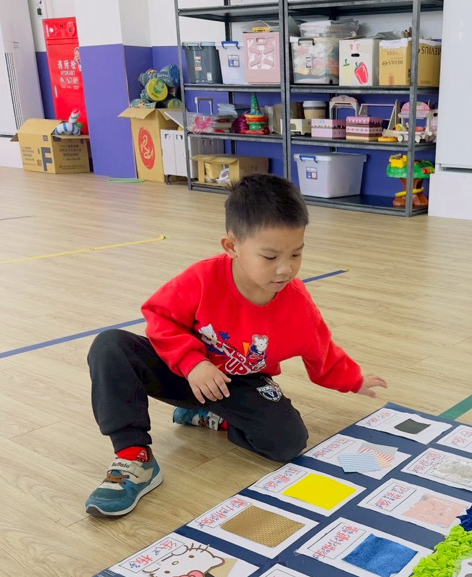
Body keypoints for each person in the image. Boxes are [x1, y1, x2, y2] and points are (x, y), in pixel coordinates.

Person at [85, 174, 387, 517]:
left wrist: (353, 379)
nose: (285, 269)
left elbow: (322, 351)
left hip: (238, 384)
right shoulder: (201, 279)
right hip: (183, 372)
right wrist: (192, 362)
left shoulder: (297, 303)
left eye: (296, 254)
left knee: (288, 442)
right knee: (110, 344)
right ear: (232, 247)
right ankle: (133, 456)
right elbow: (160, 317)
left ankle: (212, 416)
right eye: (270, 256)